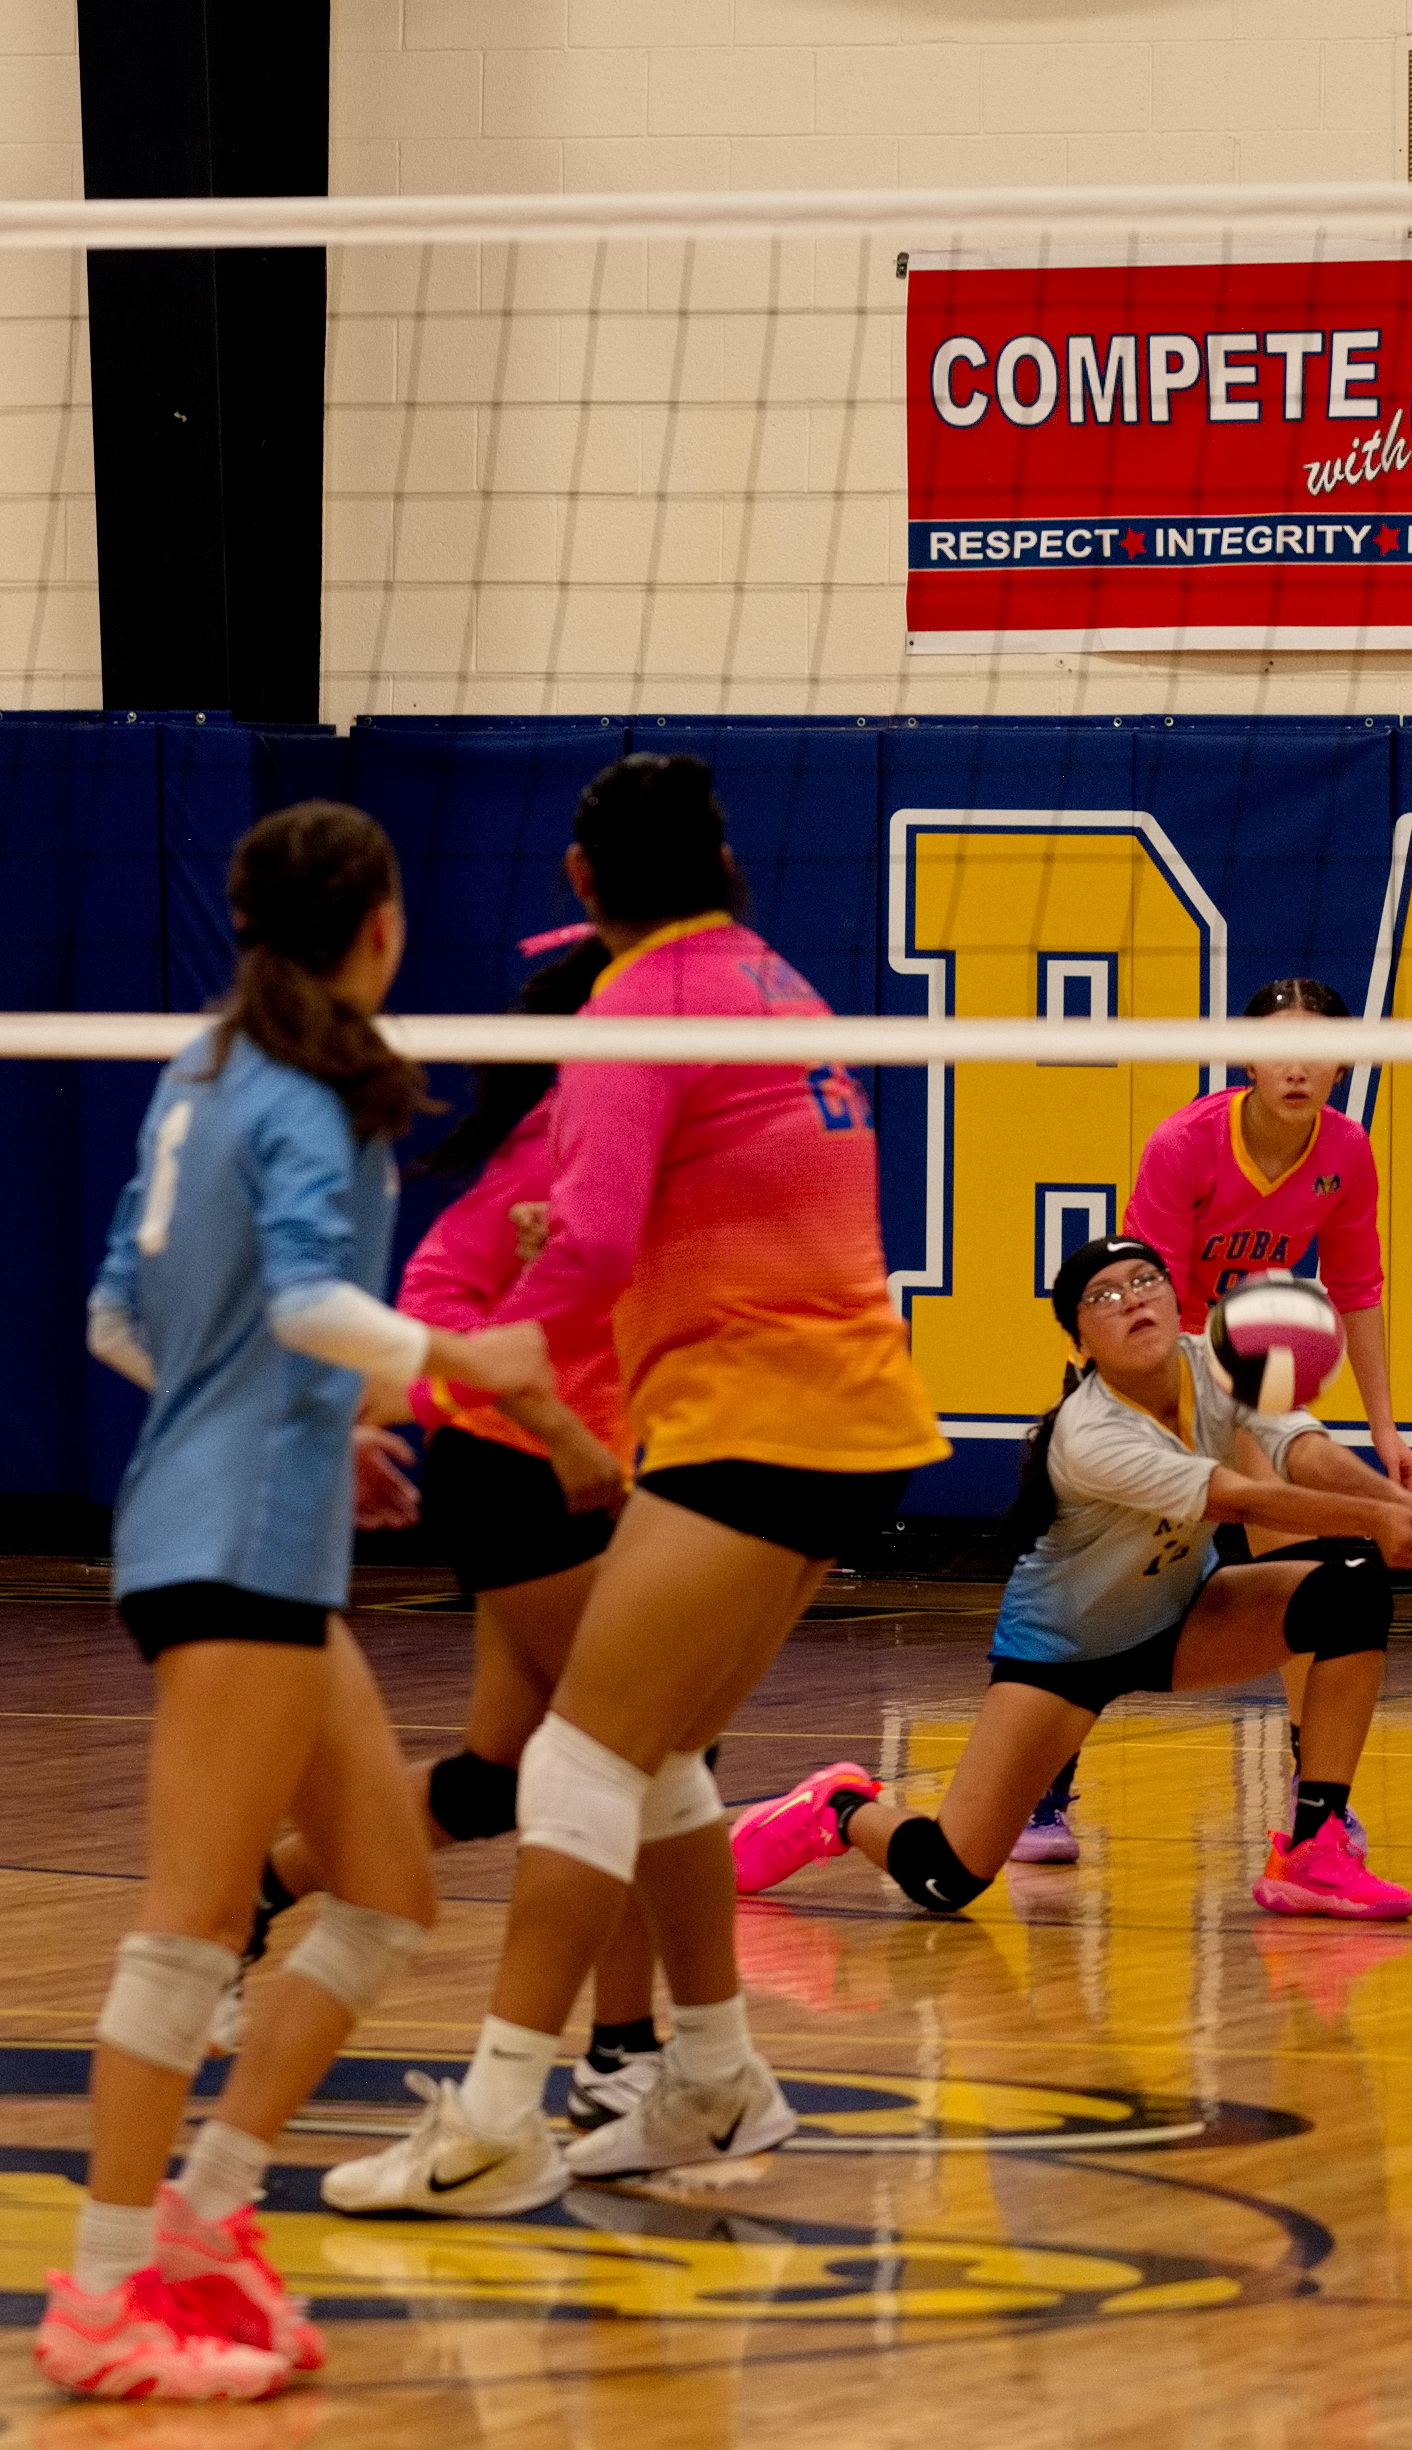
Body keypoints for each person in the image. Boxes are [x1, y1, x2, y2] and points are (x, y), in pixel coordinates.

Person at [317, 751, 948, 2217]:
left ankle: (490, 2118)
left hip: (757, 1421)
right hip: (847, 1414)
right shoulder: (775, 981)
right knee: (653, 1760)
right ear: (723, 859)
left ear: (585, 879)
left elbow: (591, 1247)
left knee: (571, 1760)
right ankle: (717, 2079)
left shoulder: (636, 1007)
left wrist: (431, 1367)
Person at [36, 803, 551, 2403]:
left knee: (389, 1889)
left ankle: (206, 2210)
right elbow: (304, 1299)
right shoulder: (310, 1086)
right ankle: (104, 2294)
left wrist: (322, 1425)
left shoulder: (205, 1070)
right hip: (233, 1544)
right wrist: (467, 1363)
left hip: (245, 1525)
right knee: (189, 1926)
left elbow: (123, 1314)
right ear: (378, 927)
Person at [223, 935, 675, 2132]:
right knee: (637, 1755)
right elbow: (436, 1315)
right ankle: (624, 2054)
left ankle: (256, 1891)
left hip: (583, 1474)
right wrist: (563, 1432)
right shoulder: (546, 1157)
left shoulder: (626, 1136)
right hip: (527, 1475)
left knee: (500, 1780)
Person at [730, 1235, 1412, 1927]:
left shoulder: (1220, 1368)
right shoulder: (1089, 1432)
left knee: (1351, 1585)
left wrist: (1394, 1505)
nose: (1131, 1300)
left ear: (1174, 1302)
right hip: (1062, 1658)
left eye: (1144, 1282)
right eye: (1103, 1296)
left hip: (1180, 1620)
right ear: (1079, 1343)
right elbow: (1237, 1499)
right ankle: (840, 1808)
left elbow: (1303, 1449)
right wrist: (1371, 1516)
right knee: (946, 1877)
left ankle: (1312, 1852)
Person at [1014, 976, 1412, 1867]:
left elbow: (1357, 1290)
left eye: (1316, 1050)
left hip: (1237, 1379)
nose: (1297, 1068)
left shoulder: (1346, 1151)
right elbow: (1140, 1302)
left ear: (1344, 1060)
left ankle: (1318, 1809)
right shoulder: (1185, 1144)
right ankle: (1040, 1793)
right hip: (1145, 1380)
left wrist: (1384, 1430)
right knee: (1114, 1593)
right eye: (1278, 1047)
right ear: (1244, 1054)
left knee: (1319, 1578)